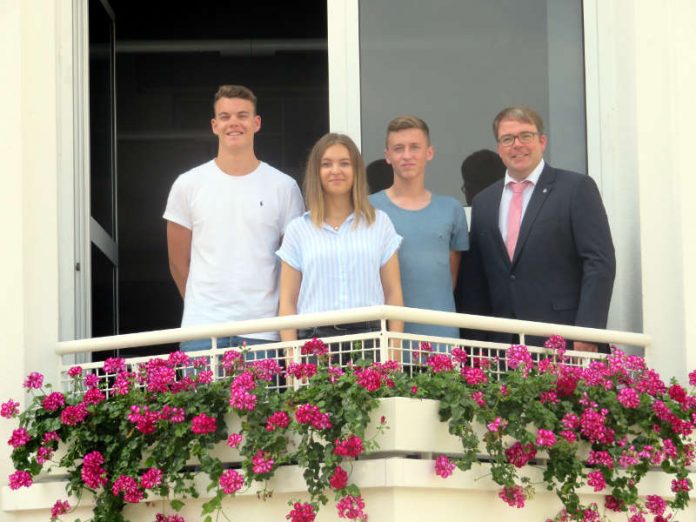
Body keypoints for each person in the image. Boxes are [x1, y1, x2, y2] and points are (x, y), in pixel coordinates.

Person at [163, 85, 304, 351]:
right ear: (214, 125)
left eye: (242, 115)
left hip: (263, 332)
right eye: (225, 117)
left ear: (256, 122)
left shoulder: (284, 187)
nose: (234, 123)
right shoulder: (188, 184)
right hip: (203, 332)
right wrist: (202, 306)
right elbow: (177, 263)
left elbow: (293, 266)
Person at [468, 106, 615, 352]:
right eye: (508, 139)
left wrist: (588, 332)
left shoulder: (576, 189)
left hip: (564, 340)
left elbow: (599, 263)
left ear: (542, 141)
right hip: (503, 347)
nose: (517, 145)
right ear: (499, 148)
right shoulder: (483, 202)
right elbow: (477, 280)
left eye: (525, 136)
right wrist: (478, 345)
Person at [277, 133, 404, 356]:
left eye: (344, 163)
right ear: (316, 172)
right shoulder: (298, 229)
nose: (336, 170)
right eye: (327, 164)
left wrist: (394, 352)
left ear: (356, 171)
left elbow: (393, 293)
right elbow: (287, 301)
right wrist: (292, 359)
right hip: (314, 342)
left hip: (371, 339)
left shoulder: (379, 223)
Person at [370, 116, 468, 341]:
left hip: (441, 337)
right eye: (398, 148)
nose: (406, 155)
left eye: (415, 147)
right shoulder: (369, 209)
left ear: (429, 153)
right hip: (386, 339)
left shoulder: (451, 209)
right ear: (388, 156)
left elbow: (450, 277)